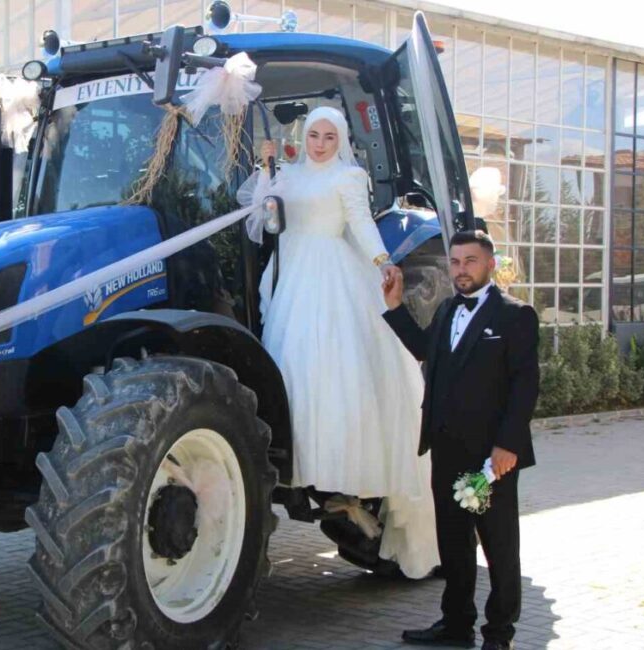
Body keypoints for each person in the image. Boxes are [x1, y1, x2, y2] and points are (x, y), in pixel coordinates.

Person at [239, 106, 439, 579]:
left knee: (332, 367)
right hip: (292, 276)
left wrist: (382, 260)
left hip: (329, 274)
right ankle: (296, 456)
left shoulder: (349, 177)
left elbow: (361, 222)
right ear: (303, 136)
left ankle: (340, 471)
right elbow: (259, 215)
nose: (321, 143)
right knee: (293, 369)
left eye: (330, 136)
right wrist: (262, 169)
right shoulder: (287, 173)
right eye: (315, 134)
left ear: (341, 139)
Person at [381, 230, 540, 650]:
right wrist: (395, 305)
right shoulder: (448, 309)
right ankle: (456, 625)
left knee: (499, 546)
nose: (461, 270)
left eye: (470, 261)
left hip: (491, 456)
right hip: (446, 448)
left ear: (490, 264)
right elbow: (423, 349)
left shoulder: (515, 315)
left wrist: (508, 446)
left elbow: (525, 386)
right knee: (454, 544)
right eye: (454, 262)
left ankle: (499, 635)